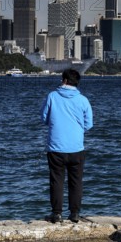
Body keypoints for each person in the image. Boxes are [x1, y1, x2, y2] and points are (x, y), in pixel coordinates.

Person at [40, 69, 93, 223]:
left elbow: (44, 118)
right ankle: (75, 213)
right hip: (76, 147)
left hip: (56, 146)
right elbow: (89, 124)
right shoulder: (83, 100)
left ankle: (56, 214)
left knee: (56, 180)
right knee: (76, 181)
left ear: (64, 80)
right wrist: (76, 130)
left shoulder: (52, 96)